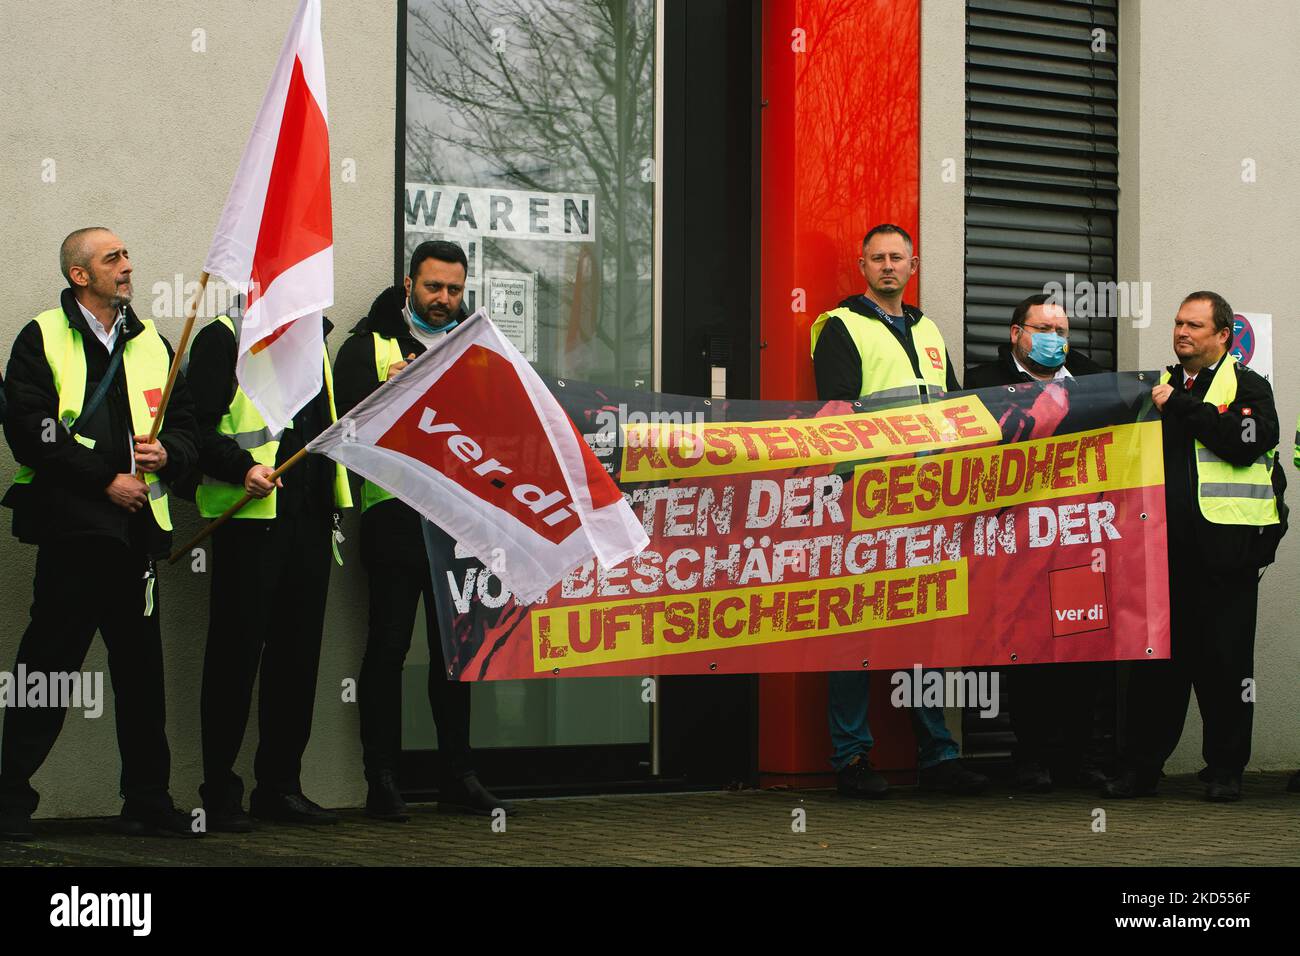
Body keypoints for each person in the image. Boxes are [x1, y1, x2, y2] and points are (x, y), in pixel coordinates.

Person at [0, 227, 199, 839]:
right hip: (75, 534)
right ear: (79, 275)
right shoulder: (42, 336)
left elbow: (187, 424)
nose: (128, 265)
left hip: (138, 539)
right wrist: (104, 480)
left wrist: (171, 453)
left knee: (142, 677)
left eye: (128, 255)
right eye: (113, 258)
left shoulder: (152, 343)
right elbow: (31, 430)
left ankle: (146, 797)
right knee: (48, 670)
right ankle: (10, 800)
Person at [334, 240, 511, 821]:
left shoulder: (479, 344)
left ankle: (457, 775)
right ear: (408, 285)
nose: (444, 300)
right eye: (433, 287)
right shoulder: (367, 346)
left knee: (456, 655)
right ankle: (381, 779)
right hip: (394, 517)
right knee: (387, 647)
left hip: (461, 521)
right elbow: (348, 428)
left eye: (455, 290)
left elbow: (499, 425)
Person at [810, 223, 988, 798]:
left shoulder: (929, 328)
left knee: (926, 626)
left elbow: (956, 406)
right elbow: (837, 414)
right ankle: (852, 759)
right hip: (866, 495)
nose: (889, 266)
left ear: (914, 264)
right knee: (856, 627)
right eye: (878, 258)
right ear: (862, 265)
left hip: (930, 495)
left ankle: (938, 756)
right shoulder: (839, 326)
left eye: (898, 257)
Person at [1104, 291, 1281, 802]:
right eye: (1179, 323)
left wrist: (1181, 405)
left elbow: (1245, 440)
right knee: (1155, 670)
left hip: (1226, 560)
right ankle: (1141, 770)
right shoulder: (1153, 389)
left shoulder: (1248, 385)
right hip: (1161, 556)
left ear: (1223, 335)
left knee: (1226, 671)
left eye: (1195, 326)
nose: (1182, 332)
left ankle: (1225, 772)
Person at [185, 297, 353, 829]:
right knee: (235, 657)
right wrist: (242, 469)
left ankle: (280, 786)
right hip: (250, 520)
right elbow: (194, 431)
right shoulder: (222, 337)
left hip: (308, 520)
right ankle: (220, 792)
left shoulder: (314, 338)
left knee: (297, 660)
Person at [965, 293, 1110, 791]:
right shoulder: (984, 383)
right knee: (1027, 649)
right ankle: (1031, 757)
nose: (1055, 339)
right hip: (1019, 539)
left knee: (1083, 645)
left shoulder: (1096, 380)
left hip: (1076, 536)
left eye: (1062, 330)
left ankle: (1079, 757)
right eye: (1044, 328)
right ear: (1016, 334)